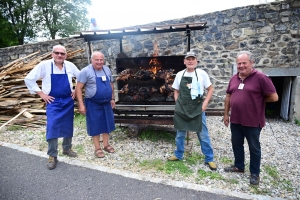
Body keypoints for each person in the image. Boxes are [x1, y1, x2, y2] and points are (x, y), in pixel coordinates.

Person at [223, 51, 278, 185]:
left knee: (254, 148)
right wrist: (225, 114)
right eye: (239, 63)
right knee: (236, 144)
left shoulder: (261, 77)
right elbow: (229, 96)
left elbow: (274, 97)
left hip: (253, 121)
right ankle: (239, 166)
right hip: (236, 119)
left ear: (252, 63)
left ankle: (254, 173)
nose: (241, 66)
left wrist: (256, 99)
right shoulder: (234, 78)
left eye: (244, 63)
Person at [24, 45, 80, 170]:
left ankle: (67, 148)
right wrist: (41, 94)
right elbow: (29, 79)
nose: (60, 55)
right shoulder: (44, 65)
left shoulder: (70, 66)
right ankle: (52, 155)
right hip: (53, 101)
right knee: (52, 126)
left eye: (62, 53)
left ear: (66, 55)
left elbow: (81, 78)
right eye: (57, 53)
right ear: (52, 54)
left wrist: (76, 90)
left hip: (67, 100)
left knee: (68, 125)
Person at [168, 51, 217, 171]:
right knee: (180, 134)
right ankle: (178, 154)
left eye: (192, 59)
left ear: (196, 61)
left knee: (203, 134)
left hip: (197, 108)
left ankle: (209, 158)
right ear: (184, 61)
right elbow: (176, 90)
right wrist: (177, 102)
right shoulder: (180, 74)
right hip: (182, 108)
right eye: (188, 59)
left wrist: (205, 103)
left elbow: (210, 89)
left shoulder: (202, 74)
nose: (190, 61)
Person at [76, 51, 115, 158]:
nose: (99, 62)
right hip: (93, 102)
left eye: (101, 60)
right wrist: (81, 105)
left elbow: (111, 84)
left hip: (106, 102)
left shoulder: (106, 69)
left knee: (107, 124)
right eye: (96, 60)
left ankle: (106, 145)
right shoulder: (85, 71)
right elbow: (78, 88)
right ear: (91, 60)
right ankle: (97, 148)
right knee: (95, 124)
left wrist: (112, 98)